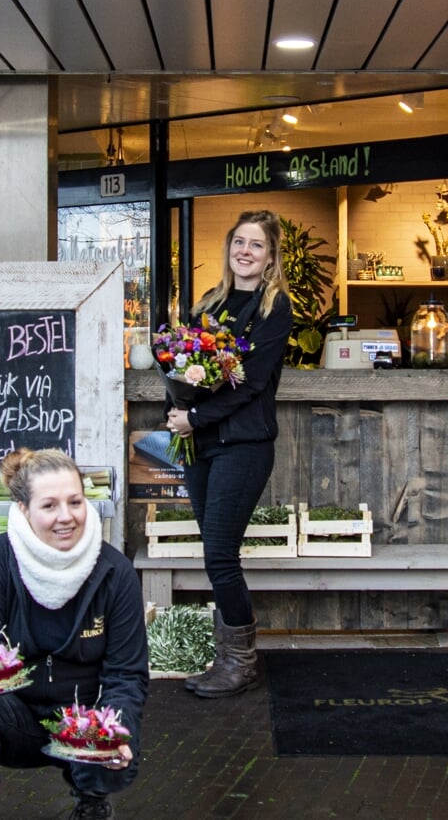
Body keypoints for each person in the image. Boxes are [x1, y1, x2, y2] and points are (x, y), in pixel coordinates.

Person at [0, 448, 148, 820]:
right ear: (23, 509)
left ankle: (92, 801)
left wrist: (116, 725)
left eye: (75, 502)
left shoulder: (115, 572)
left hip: (86, 717)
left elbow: (127, 674)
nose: (66, 517)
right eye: (49, 506)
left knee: (117, 723)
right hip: (17, 719)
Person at [161, 209, 293, 698]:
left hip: (244, 444)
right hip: (199, 446)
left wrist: (194, 417)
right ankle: (230, 658)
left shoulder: (274, 309)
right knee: (215, 552)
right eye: (239, 241)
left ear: (271, 255)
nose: (245, 251)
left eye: (256, 245)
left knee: (219, 554)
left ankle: (240, 662)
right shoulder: (207, 304)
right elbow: (178, 363)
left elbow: (252, 384)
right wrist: (176, 406)